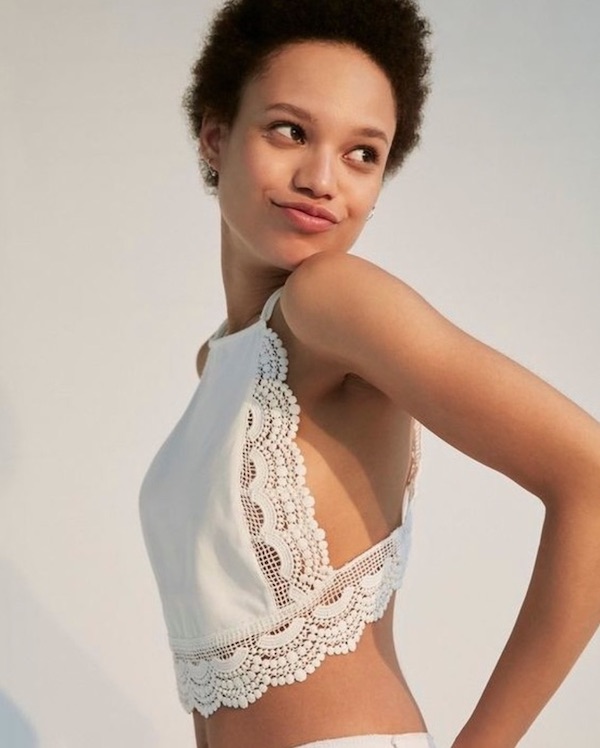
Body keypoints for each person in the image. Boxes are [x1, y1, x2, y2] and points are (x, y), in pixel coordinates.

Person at [139, 1, 600, 747]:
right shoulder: (221, 359)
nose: (322, 179)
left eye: (362, 153)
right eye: (290, 131)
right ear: (216, 135)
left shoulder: (331, 299)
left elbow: (591, 476)